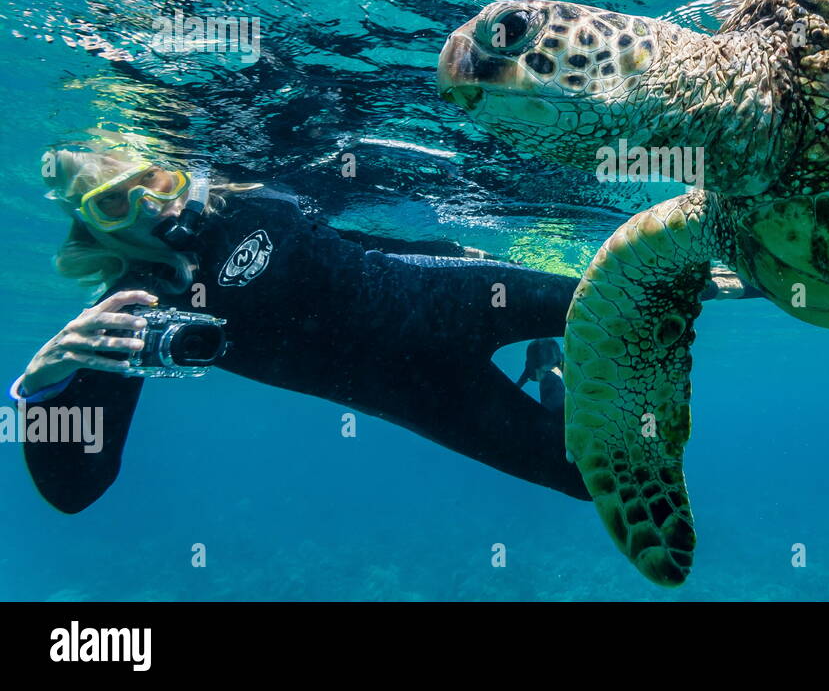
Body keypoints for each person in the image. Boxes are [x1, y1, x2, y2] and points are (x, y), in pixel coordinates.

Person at [14, 139, 757, 515]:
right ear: (91, 228)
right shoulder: (127, 311)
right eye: (113, 205)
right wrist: (45, 390)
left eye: (152, 179)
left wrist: (462, 254)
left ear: (174, 167)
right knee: (589, 483)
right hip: (413, 393)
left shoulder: (246, 186)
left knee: (682, 290)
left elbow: (361, 247)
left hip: (456, 297)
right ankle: (561, 390)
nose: (147, 207)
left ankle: (796, 249)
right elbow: (76, 490)